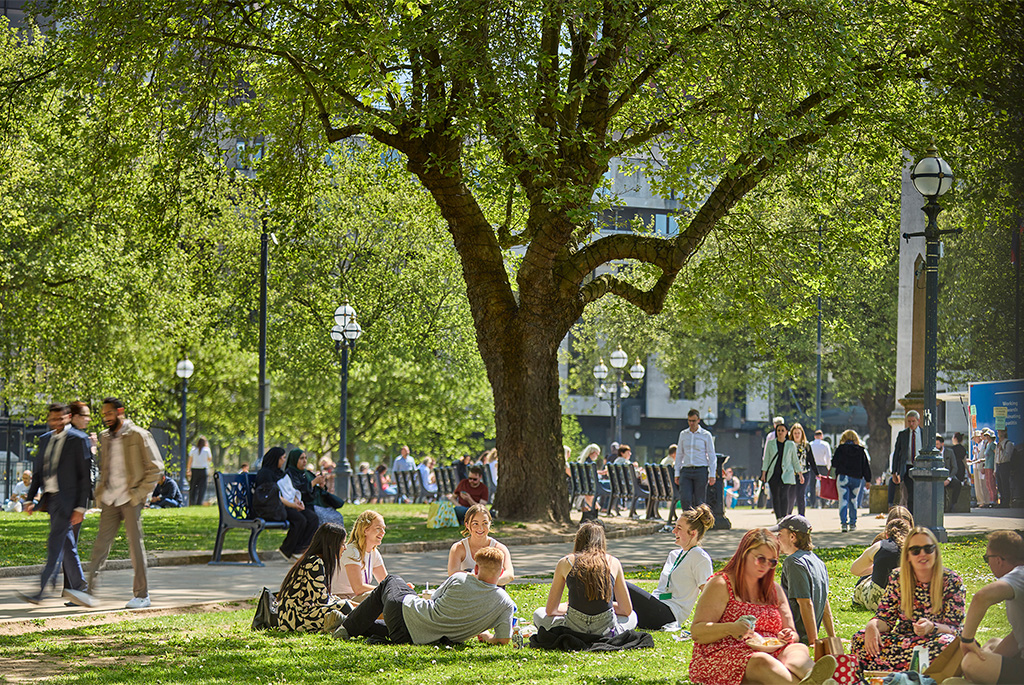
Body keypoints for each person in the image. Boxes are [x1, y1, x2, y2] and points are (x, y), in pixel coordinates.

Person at [689, 528, 837, 685]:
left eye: (772, 562)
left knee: (797, 650)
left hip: (772, 649)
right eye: (760, 559)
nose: (766, 566)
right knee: (761, 660)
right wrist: (731, 628)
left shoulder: (774, 589)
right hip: (727, 652)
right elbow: (698, 631)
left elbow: (793, 633)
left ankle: (814, 677)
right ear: (744, 553)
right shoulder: (722, 584)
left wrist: (788, 635)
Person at [333, 545, 515, 645]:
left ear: (476, 568)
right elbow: (504, 639)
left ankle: (347, 626)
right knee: (384, 622)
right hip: (411, 638)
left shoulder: (460, 578)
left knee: (391, 580)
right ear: (501, 573)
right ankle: (347, 620)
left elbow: (432, 599)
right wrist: (487, 636)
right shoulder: (505, 603)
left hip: (403, 616)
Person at [850, 526, 965, 672]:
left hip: (935, 640)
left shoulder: (951, 581)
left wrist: (932, 627)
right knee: (860, 639)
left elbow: (956, 630)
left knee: (947, 645)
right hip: (904, 640)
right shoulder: (898, 578)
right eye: (915, 550)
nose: (922, 554)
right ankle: (908, 671)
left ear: (935, 551)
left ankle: (894, 671)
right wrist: (872, 626)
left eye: (928, 549)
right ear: (908, 556)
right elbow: (886, 618)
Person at [85, 397, 163, 609]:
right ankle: (89, 592)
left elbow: (156, 468)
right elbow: (106, 468)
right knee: (100, 545)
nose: (106, 418)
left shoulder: (139, 435)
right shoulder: (105, 437)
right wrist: (100, 493)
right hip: (110, 498)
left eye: (109, 413)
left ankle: (142, 595)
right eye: (103, 415)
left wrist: (138, 494)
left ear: (120, 411)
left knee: (135, 546)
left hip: (130, 498)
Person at [16, 403, 94, 607]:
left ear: (68, 417)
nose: (56, 422)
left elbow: (85, 477)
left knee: (55, 543)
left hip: (69, 500)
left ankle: (40, 591)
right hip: (51, 499)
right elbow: (38, 473)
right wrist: (29, 499)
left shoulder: (79, 439)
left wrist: (81, 507)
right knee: (67, 545)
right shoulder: (44, 440)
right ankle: (80, 589)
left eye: (60, 418)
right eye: (53, 419)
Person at [533, 521, 636, 636]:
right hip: (605, 629)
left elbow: (551, 610)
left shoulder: (566, 562)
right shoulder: (613, 562)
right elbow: (626, 610)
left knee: (538, 613)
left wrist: (570, 605)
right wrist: (606, 604)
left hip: (574, 628)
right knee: (632, 616)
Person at [627, 504, 714, 630]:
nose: (674, 531)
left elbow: (707, 593)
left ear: (693, 533)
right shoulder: (674, 554)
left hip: (669, 613)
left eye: (679, 528)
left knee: (617, 583)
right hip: (656, 604)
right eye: (675, 527)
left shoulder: (699, 557)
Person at [958, 530, 1024, 684]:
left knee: (970, 663)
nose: (988, 563)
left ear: (999, 560)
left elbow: (982, 597)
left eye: (987, 558)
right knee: (992, 643)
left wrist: (966, 640)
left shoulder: (1018, 576)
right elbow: (1017, 635)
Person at [771, 515, 835, 646]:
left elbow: (805, 603)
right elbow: (825, 605)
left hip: (794, 633)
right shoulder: (818, 561)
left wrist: (813, 642)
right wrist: (832, 638)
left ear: (792, 536)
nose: (777, 539)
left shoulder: (793, 562)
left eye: (780, 534)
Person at [278, 522, 349, 632]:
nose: (345, 548)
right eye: (342, 544)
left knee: (346, 604)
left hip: (292, 617)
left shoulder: (312, 559)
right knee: (344, 606)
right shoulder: (315, 562)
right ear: (331, 545)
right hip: (296, 619)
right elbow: (322, 600)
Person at [256, 447, 317, 561]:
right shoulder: (265, 474)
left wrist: (296, 501)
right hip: (271, 508)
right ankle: (287, 549)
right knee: (300, 520)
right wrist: (293, 505)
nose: (284, 460)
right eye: (283, 458)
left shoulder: (280, 473)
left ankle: (299, 550)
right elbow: (274, 496)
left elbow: (288, 490)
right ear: (276, 459)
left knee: (312, 518)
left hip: (284, 505)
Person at [851, 517, 912, 611]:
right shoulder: (915, 548)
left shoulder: (879, 546)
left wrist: (875, 568)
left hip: (879, 602)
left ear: (886, 535)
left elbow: (855, 570)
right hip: (908, 601)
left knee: (863, 582)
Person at [446, 503, 514, 585]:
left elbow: (509, 575)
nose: (480, 528)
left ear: (490, 524)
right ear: (467, 525)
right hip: (468, 591)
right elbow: (453, 573)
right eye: (475, 523)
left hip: (491, 591)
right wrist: (475, 577)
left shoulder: (500, 548)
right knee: (468, 571)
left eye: (485, 523)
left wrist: (489, 582)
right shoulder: (458, 548)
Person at [333, 509, 388, 601]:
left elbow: (385, 582)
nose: (383, 532)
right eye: (378, 528)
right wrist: (388, 589)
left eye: (384, 528)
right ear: (365, 530)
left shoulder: (374, 553)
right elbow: (358, 588)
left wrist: (399, 588)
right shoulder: (352, 551)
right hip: (343, 599)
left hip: (358, 597)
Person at [675, 408, 716, 510]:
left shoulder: (706, 435)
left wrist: (712, 474)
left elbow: (711, 455)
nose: (691, 423)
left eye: (693, 421)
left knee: (700, 501)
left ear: (699, 420)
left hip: (700, 470)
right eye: (689, 421)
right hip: (686, 470)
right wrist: (677, 473)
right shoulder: (683, 434)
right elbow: (679, 454)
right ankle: (688, 523)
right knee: (685, 499)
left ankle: (698, 524)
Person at [831, 429, 872, 532]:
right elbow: (865, 466)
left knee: (843, 501)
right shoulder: (861, 450)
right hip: (856, 478)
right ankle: (853, 523)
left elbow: (834, 463)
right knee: (853, 501)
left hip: (843, 477)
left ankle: (844, 523)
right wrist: (868, 480)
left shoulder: (840, 449)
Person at [761, 422, 801, 522]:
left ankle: (784, 517)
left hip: (786, 474)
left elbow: (795, 460)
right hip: (773, 474)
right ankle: (778, 517)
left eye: (782, 430)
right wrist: (763, 473)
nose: (780, 432)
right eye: (778, 430)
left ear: (786, 432)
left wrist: (799, 473)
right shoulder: (771, 444)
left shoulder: (790, 444)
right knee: (775, 496)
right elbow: (766, 459)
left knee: (784, 495)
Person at [890, 410, 922, 513]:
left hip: (921, 467)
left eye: (913, 421)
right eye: (909, 421)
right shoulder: (902, 435)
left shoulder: (924, 434)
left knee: (920, 493)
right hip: (907, 467)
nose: (911, 424)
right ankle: (912, 516)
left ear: (918, 421)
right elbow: (897, 454)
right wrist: (894, 472)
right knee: (910, 494)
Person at [790, 424, 814, 516]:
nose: (796, 435)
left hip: (804, 472)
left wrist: (817, 473)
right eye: (795, 433)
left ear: (802, 434)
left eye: (798, 433)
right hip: (791, 473)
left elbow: (811, 459)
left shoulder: (806, 445)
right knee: (791, 495)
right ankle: (788, 516)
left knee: (800, 494)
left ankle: (801, 516)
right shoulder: (789, 444)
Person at [186, 435, 212, 506]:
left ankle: (192, 502)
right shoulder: (207, 450)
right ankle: (199, 502)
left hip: (195, 470)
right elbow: (209, 459)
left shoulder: (193, 450)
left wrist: (188, 469)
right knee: (202, 487)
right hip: (203, 470)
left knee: (193, 486)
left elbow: (190, 461)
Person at [938, 434, 960, 512]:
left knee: (957, 484)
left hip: (948, 477)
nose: (936, 446)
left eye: (938, 444)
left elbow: (954, 467)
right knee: (939, 487)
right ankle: (942, 507)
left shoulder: (950, 452)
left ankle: (953, 504)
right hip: (938, 478)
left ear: (942, 444)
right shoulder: (934, 453)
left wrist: (949, 479)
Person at [809, 431, 832, 508]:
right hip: (823, 466)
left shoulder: (811, 444)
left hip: (813, 466)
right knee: (824, 485)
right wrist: (828, 467)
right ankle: (824, 501)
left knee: (812, 484)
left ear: (815, 436)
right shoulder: (825, 444)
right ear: (821, 436)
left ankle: (812, 503)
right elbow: (829, 456)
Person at [949, 432, 969, 510]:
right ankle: (955, 503)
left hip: (954, 466)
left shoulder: (952, 449)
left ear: (955, 439)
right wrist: (968, 471)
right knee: (959, 483)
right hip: (961, 467)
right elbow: (964, 461)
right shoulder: (963, 448)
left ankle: (952, 502)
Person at [996, 429, 1015, 508]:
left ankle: (1006, 502)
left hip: (1005, 464)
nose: (999, 433)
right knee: (1000, 485)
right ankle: (1002, 500)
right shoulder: (998, 443)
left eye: (1000, 431)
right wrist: (995, 469)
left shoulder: (1008, 443)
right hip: (998, 465)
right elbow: (996, 457)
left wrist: (1002, 450)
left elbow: (1008, 456)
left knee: (1005, 484)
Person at [982, 428, 998, 507]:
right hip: (987, 466)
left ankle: (994, 500)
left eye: (988, 436)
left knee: (991, 483)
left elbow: (996, 455)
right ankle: (991, 499)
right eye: (986, 435)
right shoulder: (988, 444)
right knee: (988, 483)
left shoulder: (993, 444)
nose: (987, 437)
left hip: (991, 466)